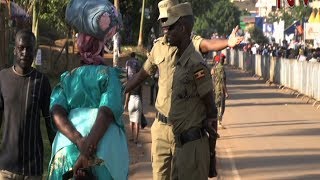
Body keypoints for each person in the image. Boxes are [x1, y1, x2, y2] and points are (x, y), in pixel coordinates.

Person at [125, 0, 243, 179]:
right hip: (161, 127)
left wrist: (228, 42)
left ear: (179, 24)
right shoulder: (158, 47)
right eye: (163, 21)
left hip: (185, 130)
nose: (165, 25)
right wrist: (119, 89)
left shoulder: (190, 46)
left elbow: (207, 45)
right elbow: (142, 74)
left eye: (168, 20)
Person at [161, 3, 217, 179]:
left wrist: (211, 154)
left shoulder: (195, 64)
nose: (166, 31)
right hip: (180, 146)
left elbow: (211, 106)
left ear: (183, 28)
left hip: (193, 147)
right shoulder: (179, 60)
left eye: (171, 28)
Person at [0, 29, 55, 179]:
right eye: (21, 48)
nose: (25, 52)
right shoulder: (2, 78)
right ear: (14, 51)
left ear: (34, 51)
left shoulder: (41, 82)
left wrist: (57, 152)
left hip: (33, 169)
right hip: (6, 168)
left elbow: (50, 122)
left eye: (29, 48)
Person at [125, 52, 143, 145]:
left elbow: (127, 93)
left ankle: (132, 136)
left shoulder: (128, 62)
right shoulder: (138, 83)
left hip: (131, 100)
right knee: (137, 121)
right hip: (138, 100)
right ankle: (136, 138)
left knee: (131, 120)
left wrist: (125, 103)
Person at [211, 53, 229, 128]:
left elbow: (212, 79)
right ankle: (219, 121)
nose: (223, 60)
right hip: (220, 89)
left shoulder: (214, 68)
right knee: (221, 106)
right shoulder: (220, 68)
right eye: (222, 59)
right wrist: (226, 92)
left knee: (216, 104)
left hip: (215, 88)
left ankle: (216, 121)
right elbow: (222, 81)